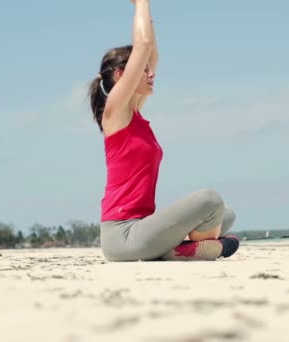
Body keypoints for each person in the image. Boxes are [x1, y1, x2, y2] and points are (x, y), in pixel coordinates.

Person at [88, 0, 239, 262]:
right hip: (123, 235)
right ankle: (184, 250)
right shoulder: (115, 110)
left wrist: (143, 8)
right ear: (123, 75)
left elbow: (152, 53)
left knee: (226, 214)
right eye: (144, 70)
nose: (151, 73)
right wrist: (142, 2)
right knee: (209, 199)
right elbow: (143, 46)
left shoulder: (135, 114)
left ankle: (173, 249)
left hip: (143, 229)